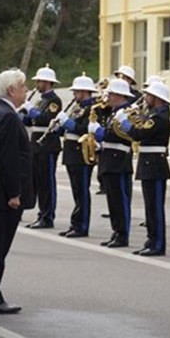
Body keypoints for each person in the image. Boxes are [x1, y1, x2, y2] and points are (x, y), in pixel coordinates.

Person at [0, 69, 34, 315]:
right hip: (4, 194)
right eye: (23, 87)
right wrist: (14, 193)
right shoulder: (8, 117)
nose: (25, 92)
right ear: (12, 90)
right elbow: (8, 159)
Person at [119, 81, 170, 256]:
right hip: (149, 162)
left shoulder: (160, 117)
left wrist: (126, 125)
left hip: (155, 164)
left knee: (155, 207)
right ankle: (151, 240)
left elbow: (140, 134)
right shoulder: (153, 114)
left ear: (156, 98)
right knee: (150, 206)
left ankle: (157, 243)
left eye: (149, 95)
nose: (146, 98)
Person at [89, 78, 135, 248]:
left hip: (119, 160)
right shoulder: (115, 112)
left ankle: (122, 235)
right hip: (109, 159)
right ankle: (116, 232)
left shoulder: (127, 113)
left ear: (120, 95)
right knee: (113, 202)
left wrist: (99, 132)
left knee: (120, 201)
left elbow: (122, 135)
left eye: (112, 94)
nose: (108, 97)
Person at [56, 74, 98, 238]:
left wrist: (69, 123)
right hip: (71, 152)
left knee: (82, 191)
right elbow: (68, 129)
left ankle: (82, 225)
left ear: (84, 92)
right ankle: (75, 223)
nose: (74, 95)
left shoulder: (93, 109)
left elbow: (86, 129)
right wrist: (59, 126)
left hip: (82, 153)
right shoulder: (76, 107)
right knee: (76, 192)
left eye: (76, 92)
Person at [22, 64, 62, 229]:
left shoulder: (54, 100)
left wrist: (32, 111)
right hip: (36, 143)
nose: (37, 84)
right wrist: (22, 113)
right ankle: (41, 213)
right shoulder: (40, 100)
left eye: (39, 81)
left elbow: (47, 119)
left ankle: (47, 216)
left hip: (48, 144)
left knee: (47, 183)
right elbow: (31, 122)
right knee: (37, 181)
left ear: (47, 82)